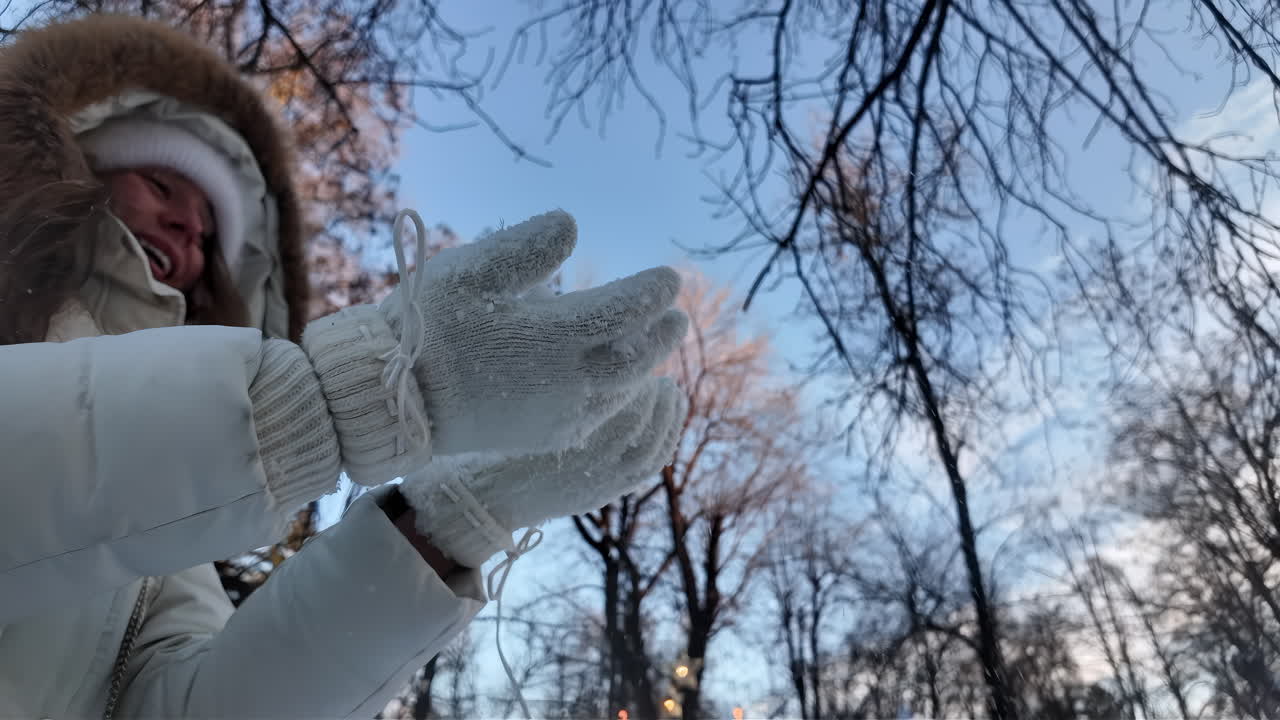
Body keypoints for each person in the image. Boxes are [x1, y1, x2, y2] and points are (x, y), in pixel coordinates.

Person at [0, 14, 688, 718]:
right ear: (77, 162)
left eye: (210, 230)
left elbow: (189, 706)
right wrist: (344, 399)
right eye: (161, 184)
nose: (189, 227)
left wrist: (442, 530)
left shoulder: (168, 524)